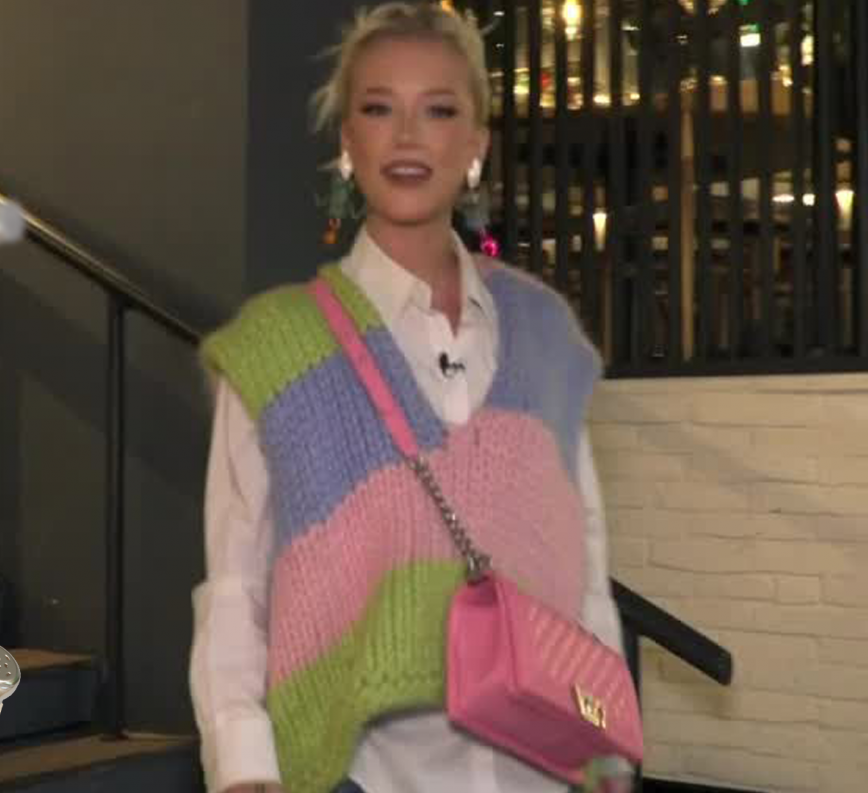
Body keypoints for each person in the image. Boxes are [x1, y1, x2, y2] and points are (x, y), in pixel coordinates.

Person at [188, 3, 625, 792]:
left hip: (547, 768)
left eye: (440, 110)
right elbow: (235, 587)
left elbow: (585, 560)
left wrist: (610, 748)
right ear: (347, 142)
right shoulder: (277, 350)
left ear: (477, 144)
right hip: (362, 773)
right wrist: (243, 767)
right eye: (379, 108)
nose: (409, 136)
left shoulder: (544, 334)